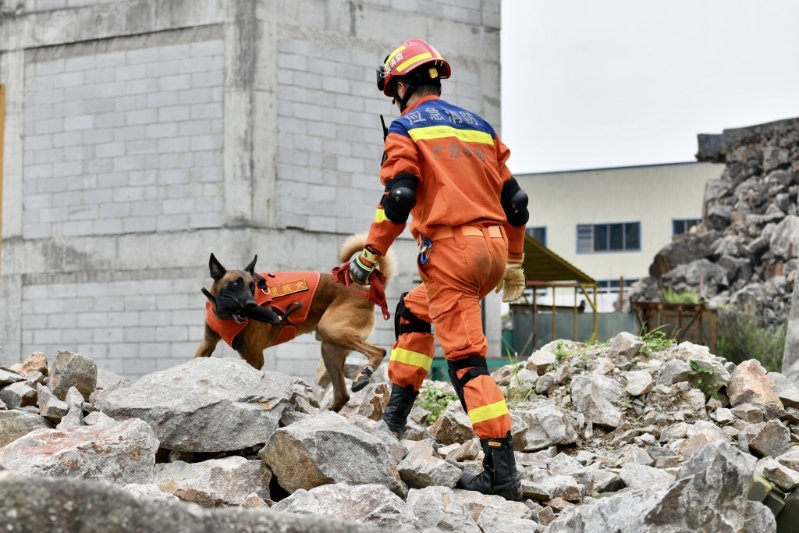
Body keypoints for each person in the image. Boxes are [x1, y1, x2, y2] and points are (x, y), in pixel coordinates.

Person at [338, 38, 529, 501]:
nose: (394, 99)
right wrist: (516, 261)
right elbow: (517, 203)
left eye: (393, 90)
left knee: (466, 363)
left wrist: (369, 255)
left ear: (402, 84)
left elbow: (399, 197)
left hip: (450, 255)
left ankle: (501, 476)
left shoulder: (405, 128)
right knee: (412, 312)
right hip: (494, 249)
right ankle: (393, 424)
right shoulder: (479, 126)